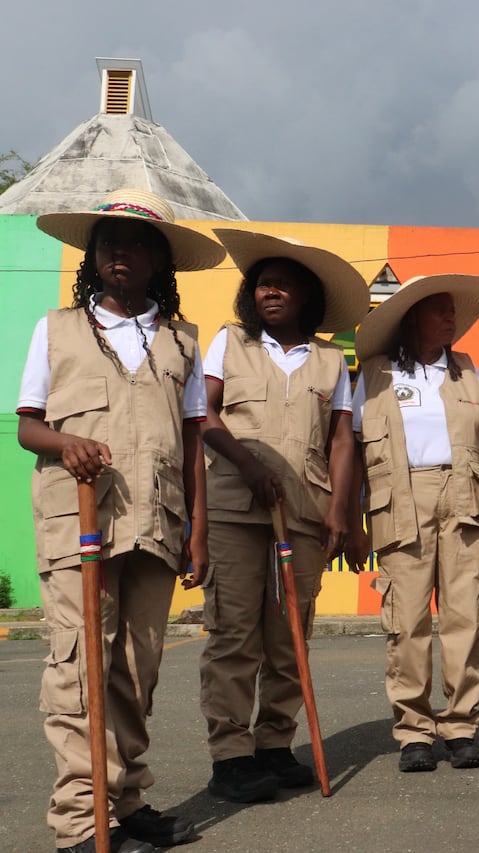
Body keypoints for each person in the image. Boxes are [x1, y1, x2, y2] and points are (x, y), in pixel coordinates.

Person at [17, 188, 225, 853]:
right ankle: (83, 821)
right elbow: (28, 427)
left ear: (158, 259)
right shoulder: (56, 329)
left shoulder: (181, 339)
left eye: (135, 243)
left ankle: (126, 797)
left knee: (137, 667)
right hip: (78, 523)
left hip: (156, 523)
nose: (119, 253)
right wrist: (65, 443)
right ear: (94, 255)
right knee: (81, 669)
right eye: (108, 242)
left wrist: (198, 529)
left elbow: (194, 441)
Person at [197, 230, 368, 802]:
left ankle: (274, 742)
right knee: (234, 633)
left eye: (284, 285)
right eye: (263, 284)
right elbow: (204, 414)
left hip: (305, 513)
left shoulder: (329, 359)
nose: (271, 292)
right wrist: (247, 465)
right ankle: (231, 756)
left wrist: (342, 511)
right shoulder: (229, 343)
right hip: (234, 510)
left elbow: (343, 439)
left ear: (306, 298)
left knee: (290, 636)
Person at [347, 274, 479, 773]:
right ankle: (414, 731)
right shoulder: (376, 373)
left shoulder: (466, 371)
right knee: (407, 621)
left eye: (452, 312)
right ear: (414, 319)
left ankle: (461, 726)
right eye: (441, 311)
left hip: (464, 496)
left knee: (465, 616)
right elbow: (354, 451)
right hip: (400, 499)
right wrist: (351, 517)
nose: (451, 320)